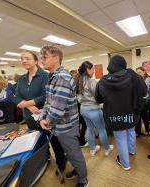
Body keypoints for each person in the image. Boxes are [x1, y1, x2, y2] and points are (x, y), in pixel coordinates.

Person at [39, 46, 88, 187]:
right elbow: (48, 102)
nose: (42, 60)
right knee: (69, 152)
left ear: (56, 58)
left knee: (74, 154)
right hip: (59, 126)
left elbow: (56, 110)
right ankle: (78, 171)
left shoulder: (62, 78)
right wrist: (42, 117)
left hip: (66, 127)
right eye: (41, 57)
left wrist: (46, 121)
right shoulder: (53, 77)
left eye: (45, 57)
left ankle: (83, 180)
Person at [15, 50, 67, 172]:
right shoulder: (22, 79)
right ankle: (45, 158)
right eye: (22, 58)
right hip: (29, 117)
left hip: (44, 116)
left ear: (36, 61)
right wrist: (28, 107)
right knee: (37, 141)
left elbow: (45, 96)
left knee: (54, 141)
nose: (24, 61)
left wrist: (26, 103)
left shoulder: (45, 76)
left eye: (27, 58)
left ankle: (61, 161)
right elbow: (16, 97)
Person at [96, 55, 147, 170]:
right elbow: (144, 91)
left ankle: (125, 164)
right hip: (131, 113)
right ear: (123, 65)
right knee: (131, 132)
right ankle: (132, 151)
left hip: (114, 115)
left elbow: (98, 99)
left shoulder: (103, 81)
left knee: (121, 139)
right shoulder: (133, 76)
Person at [77, 61, 113, 156]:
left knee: (89, 128)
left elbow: (79, 97)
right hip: (93, 110)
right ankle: (107, 149)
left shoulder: (79, 80)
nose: (93, 71)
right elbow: (98, 96)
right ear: (87, 70)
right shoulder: (91, 81)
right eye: (92, 69)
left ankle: (92, 149)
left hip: (83, 109)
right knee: (101, 129)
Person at [136, 66, 150, 136]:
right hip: (139, 101)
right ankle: (138, 132)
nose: (138, 74)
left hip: (145, 101)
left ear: (144, 72)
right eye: (137, 73)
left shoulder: (148, 79)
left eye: (140, 72)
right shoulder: (138, 79)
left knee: (145, 117)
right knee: (138, 117)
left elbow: (147, 91)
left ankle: (147, 131)